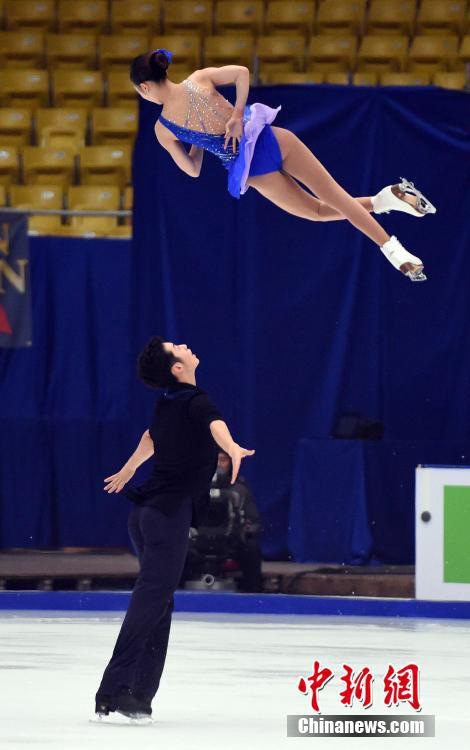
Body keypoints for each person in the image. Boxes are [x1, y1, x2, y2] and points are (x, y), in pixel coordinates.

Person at [129, 49, 437, 282]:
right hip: (274, 140)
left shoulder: (164, 129)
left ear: (144, 87)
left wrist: (197, 139)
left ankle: (395, 252)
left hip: (253, 169)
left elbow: (192, 170)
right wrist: (236, 115)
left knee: (322, 209)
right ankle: (388, 199)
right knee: (327, 204)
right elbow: (242, 73)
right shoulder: (198, 78)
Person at [93, 336, 254, 723]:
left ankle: (137, 696)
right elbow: (216, 423)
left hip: (148, 515)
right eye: (177, 348)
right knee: (152, 599)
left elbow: (150, 438)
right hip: (166, 517)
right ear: (177, 369)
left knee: (160, 603)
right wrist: (231, 446)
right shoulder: (195, 401)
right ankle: (112, 689)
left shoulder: (168, 403)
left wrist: (131, 468)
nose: (185, 345)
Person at [213, 450, 263, 593]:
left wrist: (244, 528)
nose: (218, 465)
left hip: (229, 542)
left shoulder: (240, 490)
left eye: (223, 460)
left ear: (231, 462)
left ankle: (253, 594)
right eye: (215, 460)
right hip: (199, 543)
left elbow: (254, 522)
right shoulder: (196, 488)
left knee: (251, 549)